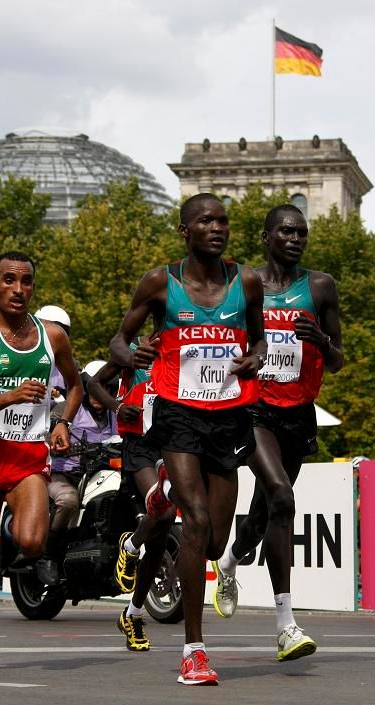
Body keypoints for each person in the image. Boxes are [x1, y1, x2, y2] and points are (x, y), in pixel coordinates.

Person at [109, 193, 266, 685]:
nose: (217, 228)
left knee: (216, 539)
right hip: (178, 413)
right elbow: (118, 338)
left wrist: (256, 356)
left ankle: (160, 496)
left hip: (229, 415)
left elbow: (259, 338)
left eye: (222, 221)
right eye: (205, 221)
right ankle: (194, 652)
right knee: (195, 520)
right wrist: (133, 352)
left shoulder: (248, 282)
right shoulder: (161, 282)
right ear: (185, 231)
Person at [213, 204, 344, 661]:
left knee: (266, 511)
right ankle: (286, 625)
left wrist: (320, 341)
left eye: (302, 233)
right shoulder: (244, 287)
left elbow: (339, 359)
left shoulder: (321, 286)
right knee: (282, 496)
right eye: (286, 231)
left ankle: (231, 559)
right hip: (254, 410)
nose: (296, 238)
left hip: (299, 412)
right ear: (266, 237)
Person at [0, 251, 83, 671]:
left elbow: (77, 385)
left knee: (31, 542)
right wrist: (9, 396)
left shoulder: (53, 337)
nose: (18, 289)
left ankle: (14, 524)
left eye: (26, 281)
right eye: (8, 280)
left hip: (28, 452)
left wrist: (61, 422)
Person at [88, 340, 176, 652]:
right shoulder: (134, 349)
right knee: (163, 510)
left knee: (161, 535)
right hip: (139, 444)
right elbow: (95, 383)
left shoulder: (186, 343)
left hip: (174, 444)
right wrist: (118, 407)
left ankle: (133, 613)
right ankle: (130, 544)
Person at [35, 360, 118, 585]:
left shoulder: (117, 415)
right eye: (95, 388)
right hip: (64, 475)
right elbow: (46, 437)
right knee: (68, 500)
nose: (100, 394)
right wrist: (61, 444)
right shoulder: (66, 410)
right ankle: (48, 557)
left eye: (108, 389)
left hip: (101, 475)